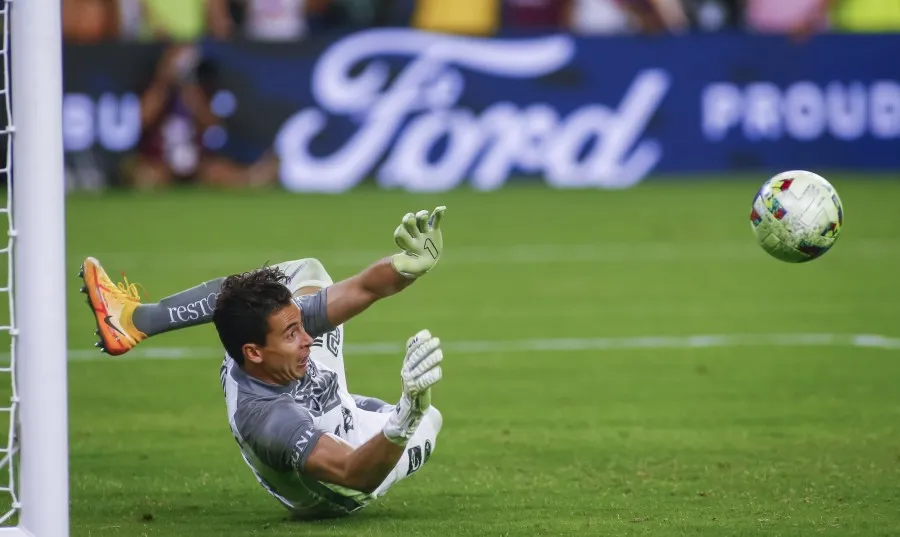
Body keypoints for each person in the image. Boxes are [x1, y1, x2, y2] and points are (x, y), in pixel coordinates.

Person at [78, 206, 447, 519]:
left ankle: (135, 320)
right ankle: (376, 415)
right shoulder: (269, 420)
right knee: (429, 419)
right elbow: (356, 475)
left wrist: (408, 265)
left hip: (307, 399)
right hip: (335, 489)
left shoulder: (265, 335)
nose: (308, 337)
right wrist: (406, 418)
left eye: (301, 325)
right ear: (254, 352)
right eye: (292, 333)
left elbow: (365, 287)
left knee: (293, 278)